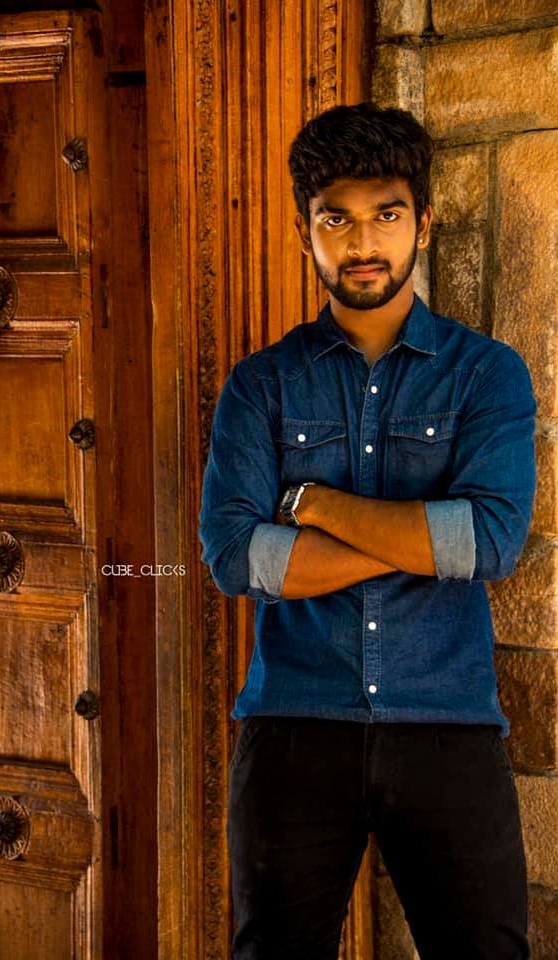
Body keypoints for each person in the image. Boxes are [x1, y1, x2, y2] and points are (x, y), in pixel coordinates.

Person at [198, 102, 536, 960]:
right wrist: (420, 542)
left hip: (449, 724)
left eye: (386, 214)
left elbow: (489, 543)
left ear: (424, 223)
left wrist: (312, 505)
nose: (361, 242)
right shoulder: (261, 386)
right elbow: (235, 557)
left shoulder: (486, 375)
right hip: (294, 725)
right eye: (335, 219)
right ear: (304, 231)